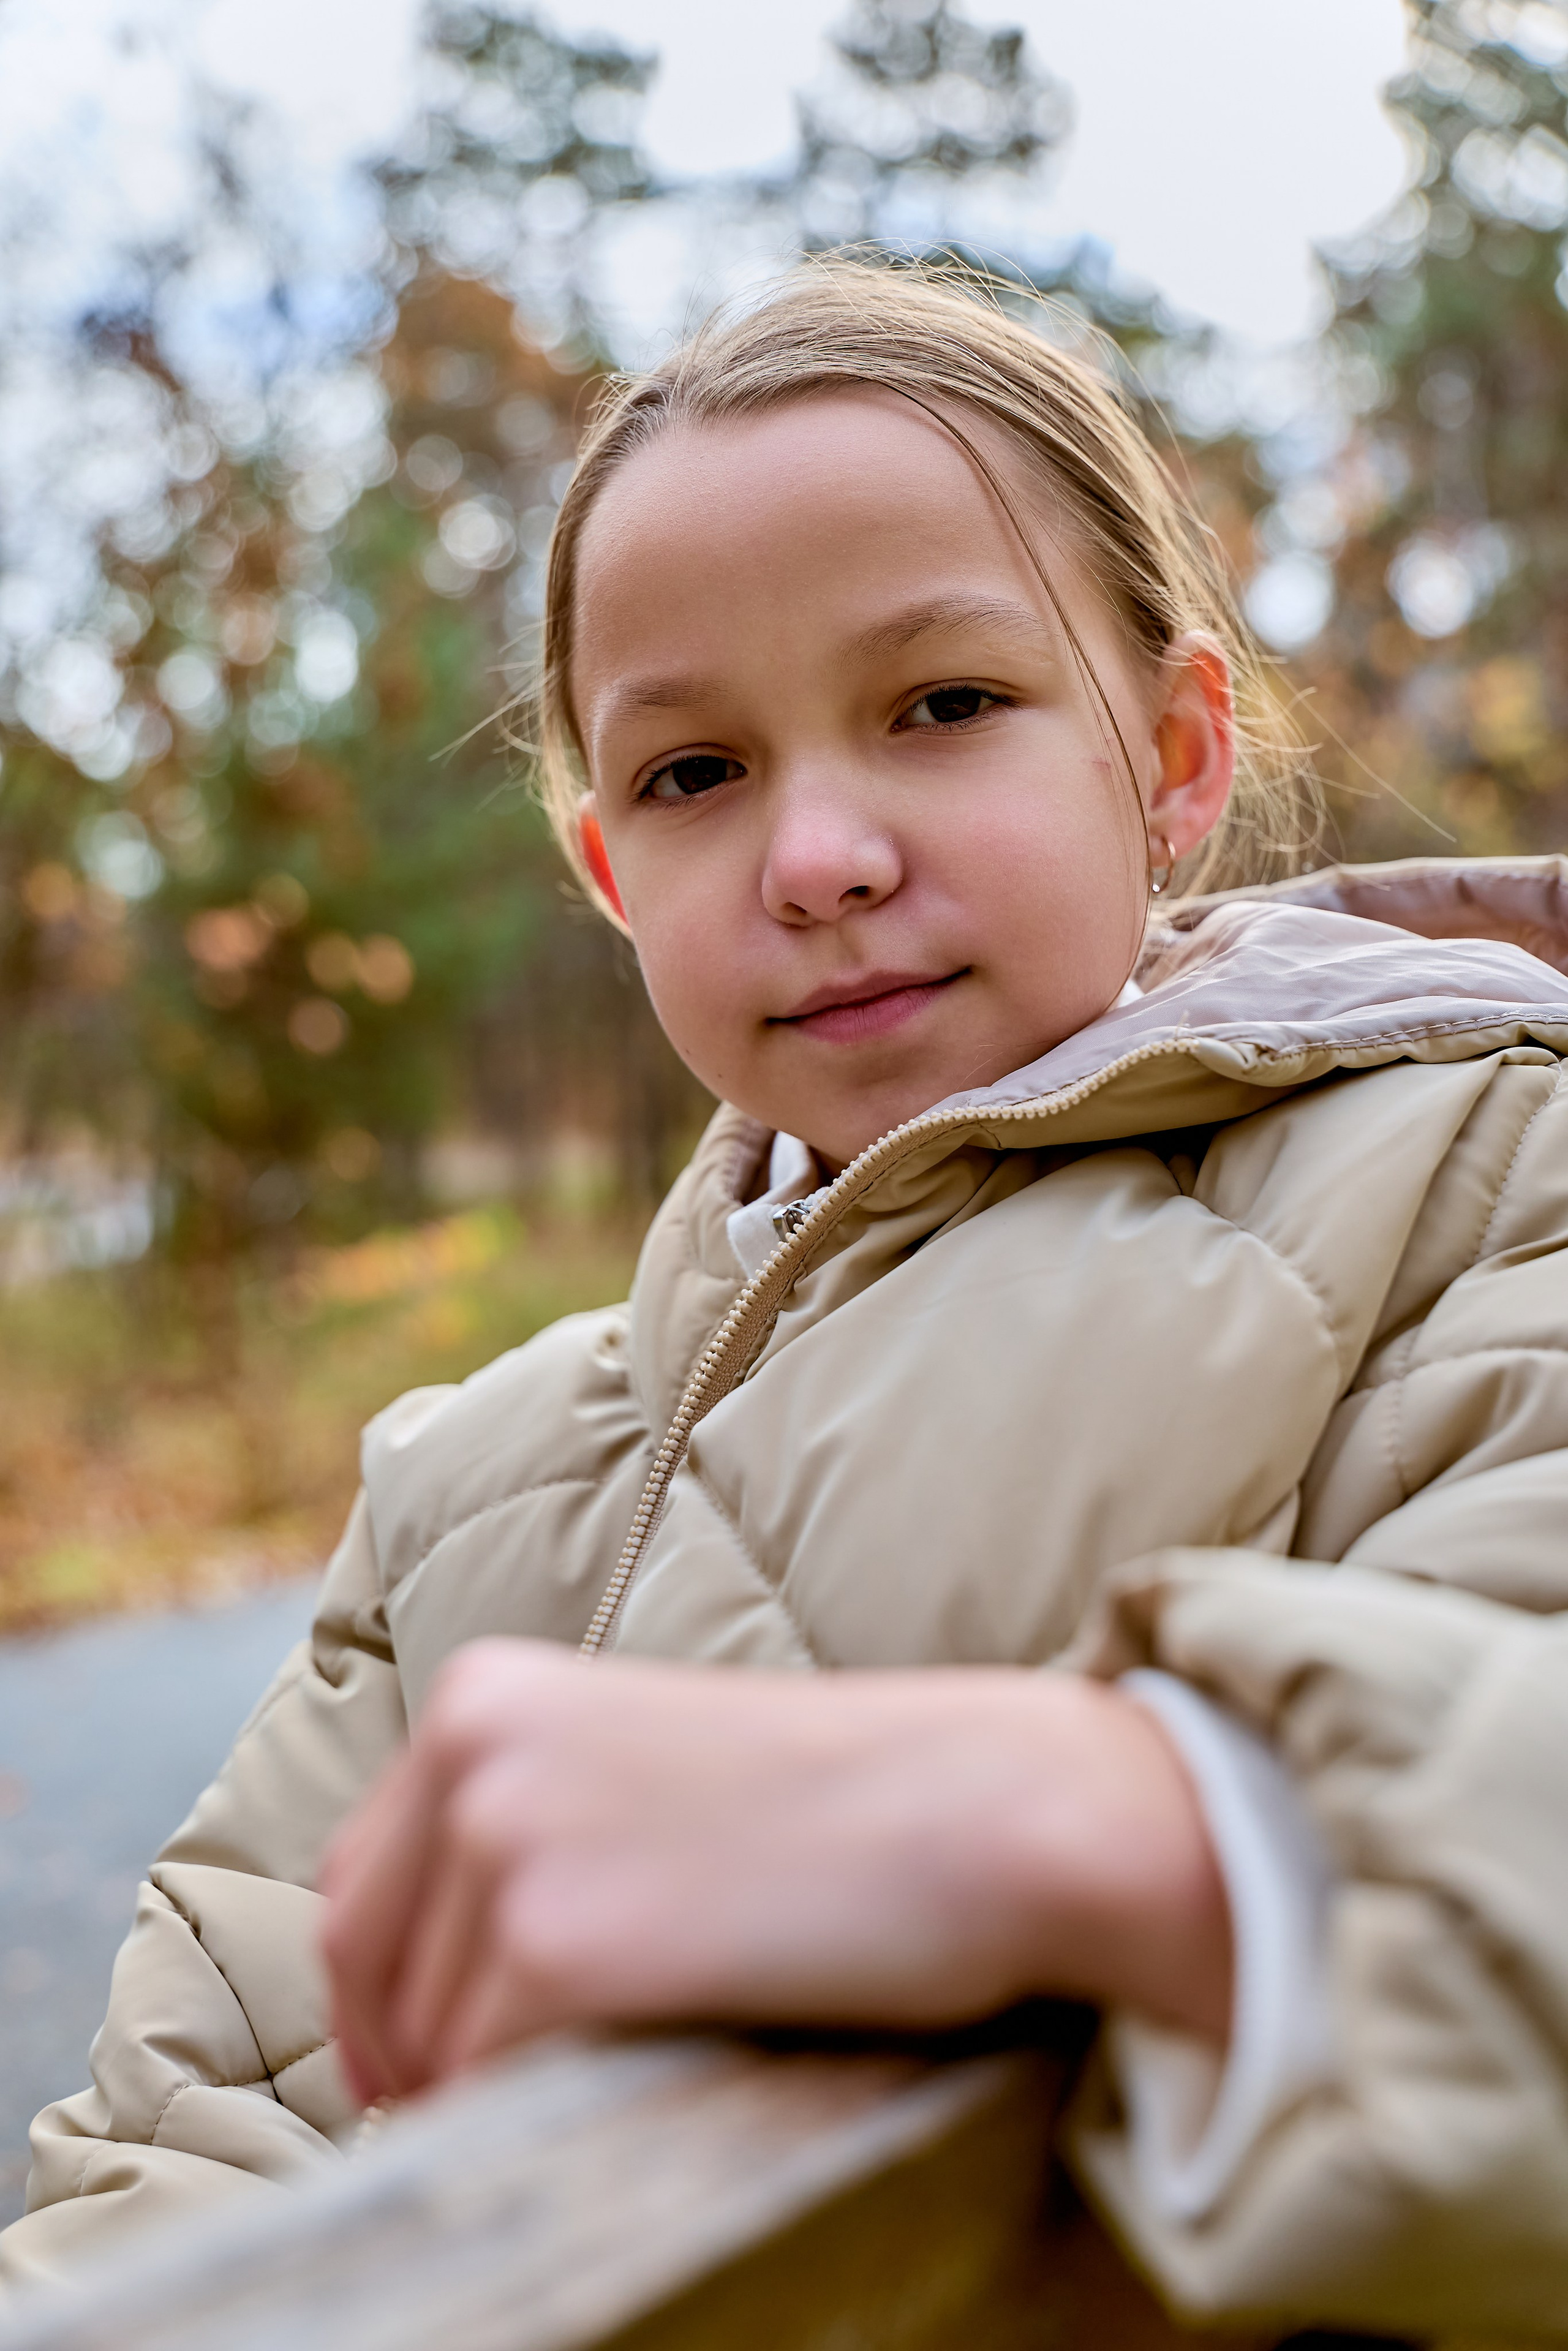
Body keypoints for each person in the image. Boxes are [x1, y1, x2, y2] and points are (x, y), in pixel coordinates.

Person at [6, 260, 1568, 2339]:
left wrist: (1118, 1822)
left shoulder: (1483, 1198)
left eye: (943, 706)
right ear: (606, 876)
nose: (817, 854)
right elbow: (182, 2154)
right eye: (693, 773)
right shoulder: (458, 1487)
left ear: (1176, 753)